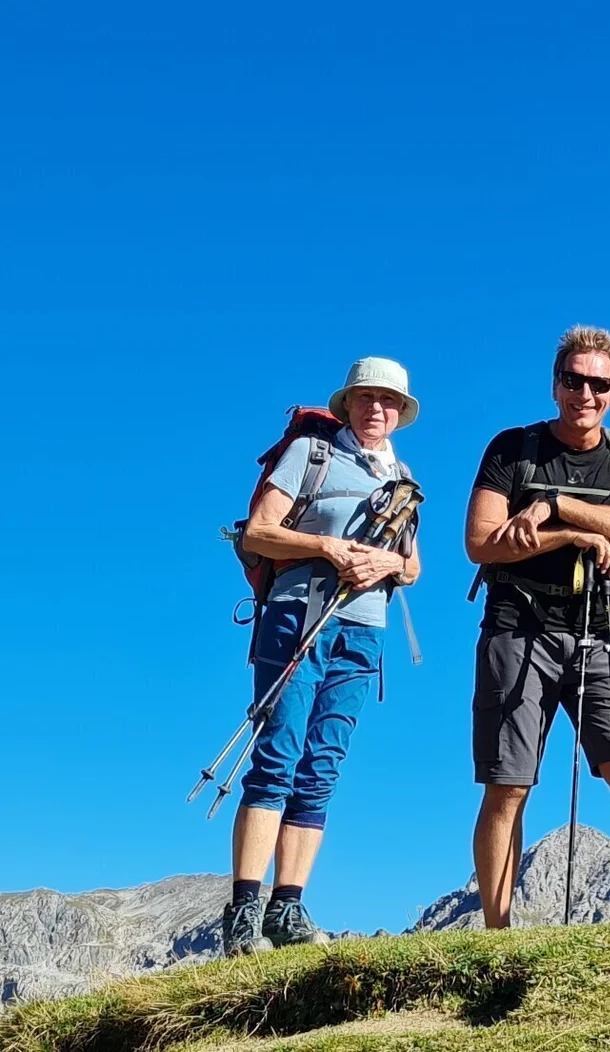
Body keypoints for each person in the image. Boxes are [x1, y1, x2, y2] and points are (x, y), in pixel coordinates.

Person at [465, 326, 610, 923]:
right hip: (517, 627)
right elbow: (480, 543)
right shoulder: (512, 449)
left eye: (598, 383)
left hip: (598, 632)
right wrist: (577, 534)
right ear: (555, 384)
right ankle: (495, 932)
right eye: (574, 380)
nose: (585, 393)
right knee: (509, 784)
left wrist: (554, 506)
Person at [224, 356, 422, 956]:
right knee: (277, 756)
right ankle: (242, 913)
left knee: (323, 767)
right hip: (296, 617)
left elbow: (413, 565)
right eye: (367, 399)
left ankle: (287, 908)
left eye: (388, 402)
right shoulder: (311, 456)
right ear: (348, 403)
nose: (377, 410)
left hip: (363, 633)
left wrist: (388, 562)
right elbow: (257, 531)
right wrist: (327, 547)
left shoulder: (404, 477)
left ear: (400, 413)